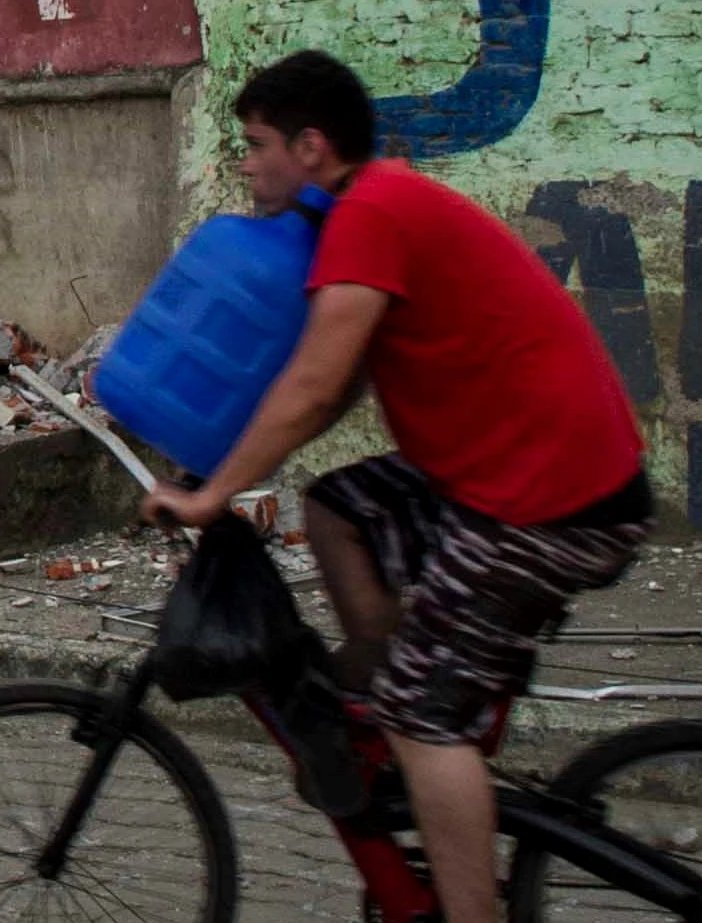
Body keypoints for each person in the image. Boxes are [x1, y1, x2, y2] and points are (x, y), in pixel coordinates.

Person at [140, 51, 650, 923]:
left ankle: (433, 792)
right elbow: (333, 389)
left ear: (310, 146)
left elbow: (310, 388)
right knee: (339, 508)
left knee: (424, 717)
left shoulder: (373, 212)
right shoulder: (367, 207)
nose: (247, 165)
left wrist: (212, 493)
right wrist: (213, 465)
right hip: (498, 473)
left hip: (548, 502)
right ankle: (383, 705)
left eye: (256, 145)